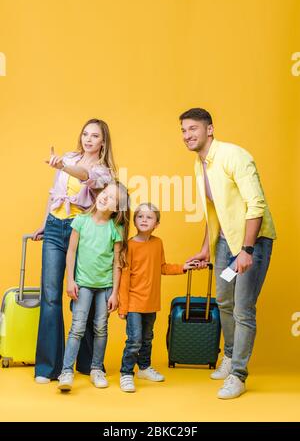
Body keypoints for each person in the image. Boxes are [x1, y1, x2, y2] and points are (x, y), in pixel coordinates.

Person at [181, 107, 276, 399]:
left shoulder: (235, 156)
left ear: (210, 129)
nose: (187, 136)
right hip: (225, 242)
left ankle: (239, 375)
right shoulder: (200, 164)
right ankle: (231, 357)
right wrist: (206, 248)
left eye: (193, 129)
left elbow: (255, 205)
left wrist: (246, 250)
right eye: (183, 131)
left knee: (242, 308)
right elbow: (216, 210)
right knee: (223, 300)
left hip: (252, 242)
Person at [33, 118, 116, 383]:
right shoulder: (68, 156)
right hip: (56, 227)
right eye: (85, 134)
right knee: (50, 297)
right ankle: (48, 368)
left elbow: (84, 176)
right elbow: (54, 194)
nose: (88, 139)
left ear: (103, 142)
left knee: (85, 294)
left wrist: (65, 166)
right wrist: (44, 223)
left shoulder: (104, 171)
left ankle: (87, 364)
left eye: (94, 136)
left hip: (82, 232)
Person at [118, 203, 198, 392]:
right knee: (134, 340)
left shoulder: (157, 243)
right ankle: (126, 372)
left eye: (149, 217)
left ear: (157, 223)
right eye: (140, 216)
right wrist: (123, 307)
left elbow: (162, 267)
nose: (144, 220)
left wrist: (183, 267)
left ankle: (144, 367)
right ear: (135, 220)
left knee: (147, 338)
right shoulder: (128, 245)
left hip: (151, 301)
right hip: (133, 302)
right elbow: (124, 278)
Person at [57, 182, 129, 391]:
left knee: (101, 328)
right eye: (104, 192)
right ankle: (66, 372)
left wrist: (115, 293)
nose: (105, 197)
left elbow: (117, 263)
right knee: (77, 328)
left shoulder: (116, 229)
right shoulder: (80, 221)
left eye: (112, 197)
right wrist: (70, 280)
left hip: (105, 287)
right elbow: (71, 252)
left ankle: (96, 369)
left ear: (117, 208)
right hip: (83, 285)